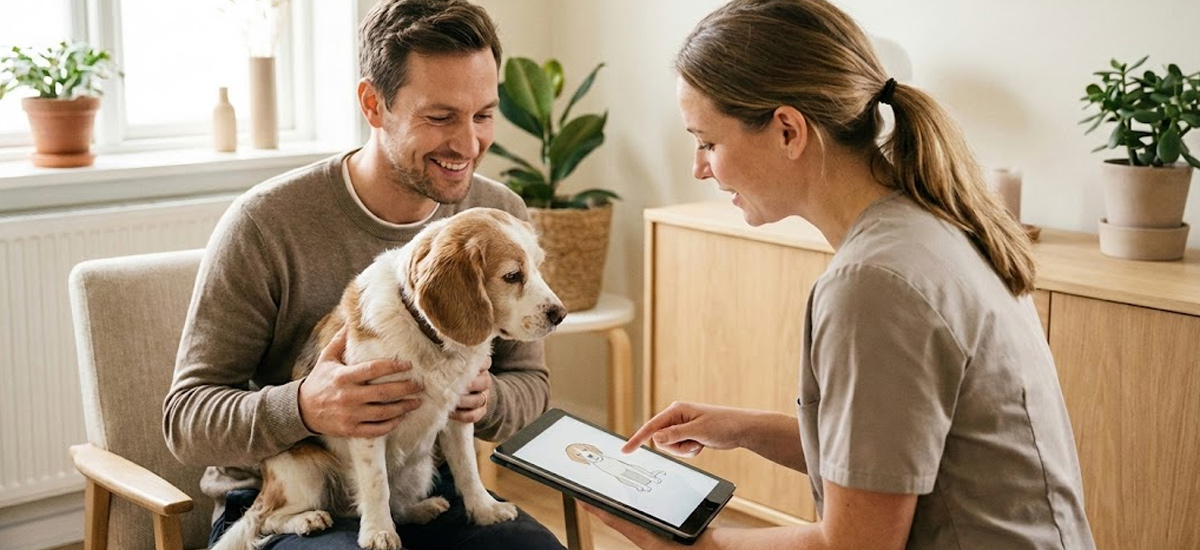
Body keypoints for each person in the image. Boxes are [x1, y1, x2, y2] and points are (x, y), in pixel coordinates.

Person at [585, 1, 1096, 549]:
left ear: (788, 130)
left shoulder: (874, 282)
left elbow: (853, 545)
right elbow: (900, 454)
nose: (698, 166)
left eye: (708, 141)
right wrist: (745, 429)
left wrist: (690, 544)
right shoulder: (936, 221)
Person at [162, 1, 563, 548]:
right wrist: (304, 406)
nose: (469, 145)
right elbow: (186, 421)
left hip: (421, 485)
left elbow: (531, 385)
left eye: (484, 115)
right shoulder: (265, 224)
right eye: (440, 117)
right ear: (374, 105)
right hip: (296, 493)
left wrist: (485, 399)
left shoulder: (498, 216)